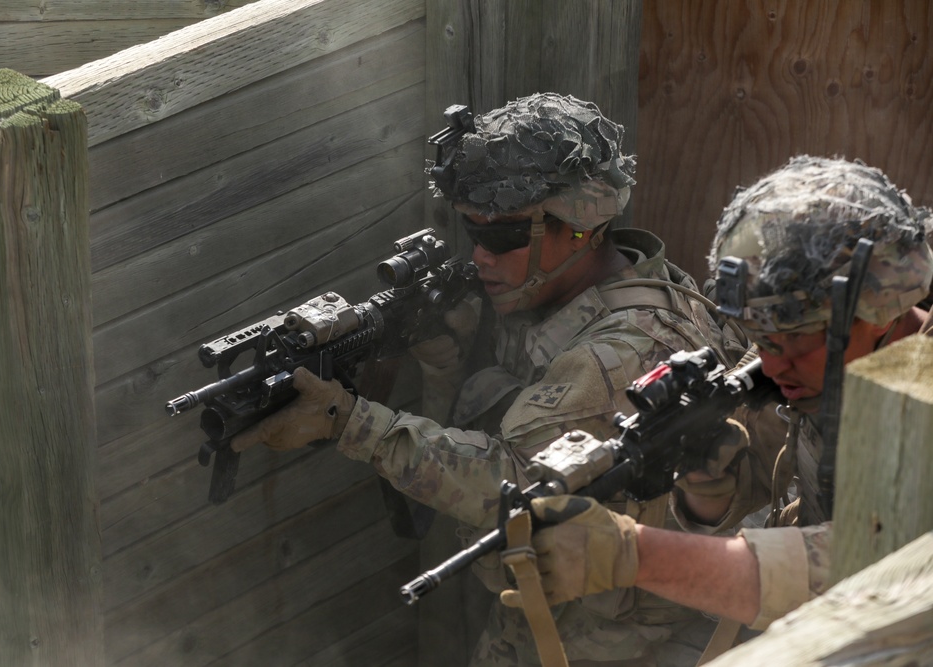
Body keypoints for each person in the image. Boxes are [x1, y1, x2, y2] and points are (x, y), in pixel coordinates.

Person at [231, 92, 748, 666]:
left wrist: (353, 424)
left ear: (578, 225)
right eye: (471, 232)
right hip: (553, 616)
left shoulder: (625, 348)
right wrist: (447, 361)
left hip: (615, 647)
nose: (479, 256)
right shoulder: (567, 291)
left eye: (502, 237)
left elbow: (512, 483)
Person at [511, 155, 933, 643]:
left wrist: (635, 555)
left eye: (790, 340)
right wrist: (710, 490)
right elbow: (765, 469)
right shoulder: (822, 367)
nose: (772, 366)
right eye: (761, 339)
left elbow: (882, 570)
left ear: (877, 309)